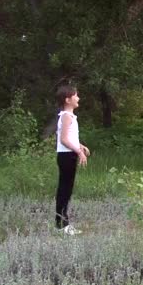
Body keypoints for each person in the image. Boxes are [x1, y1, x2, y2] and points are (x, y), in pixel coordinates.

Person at [55, 85, 90, 235]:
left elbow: (70, 138)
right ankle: (62, 225)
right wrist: (78, 152)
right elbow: (63, 140)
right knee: (64, 190)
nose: (78, 98)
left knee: (67, 190)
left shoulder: (69, 116)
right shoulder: (66, 116)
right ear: (67, 100)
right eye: (75, 95)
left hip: (69, 154)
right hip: (66, 156)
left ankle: (62, 224)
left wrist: (81, 146)